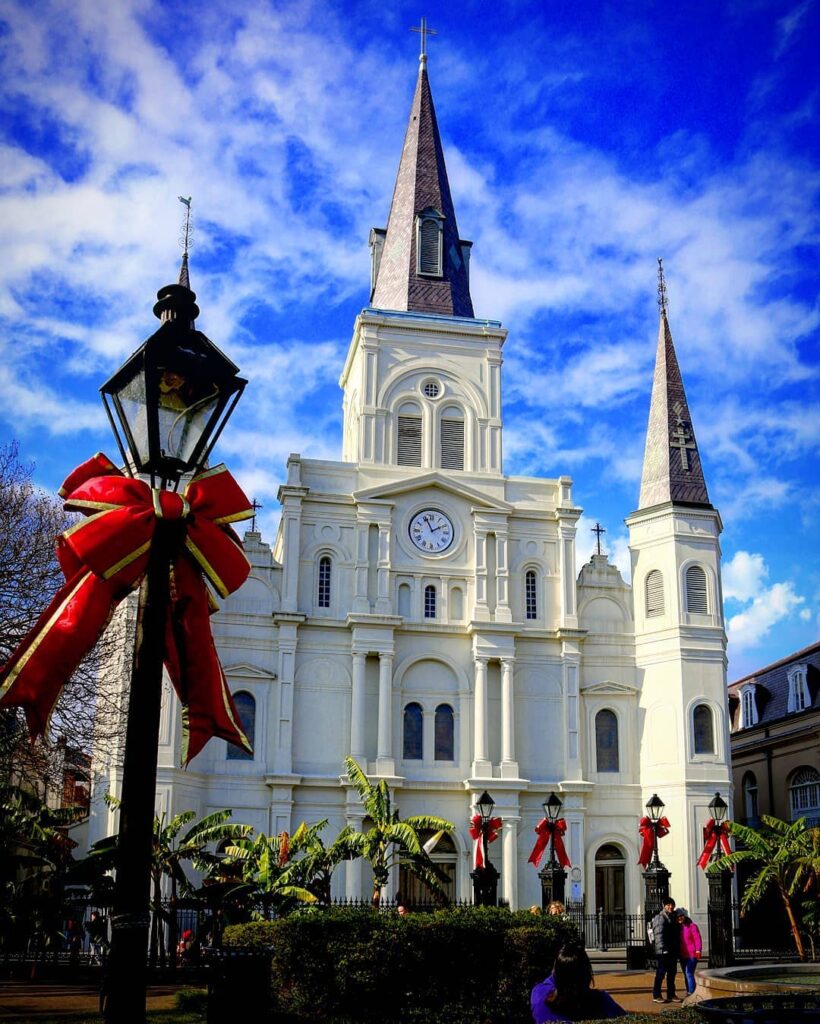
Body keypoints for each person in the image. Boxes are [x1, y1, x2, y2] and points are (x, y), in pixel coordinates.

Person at [531, 941, 626, 1022]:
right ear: (587, 974)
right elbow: (624, 1019)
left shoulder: (540, 994)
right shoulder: (602, 1002)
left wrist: (561, 964)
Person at [651, 897, 682, 1004]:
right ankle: (656, 994)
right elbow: (659, 935)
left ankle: (671, 994)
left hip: (672, 950)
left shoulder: (672, 917)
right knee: (661, 973)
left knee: (672, 973)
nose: (670, 907)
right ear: (664, 906)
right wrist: (662, 949)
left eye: (672, 905)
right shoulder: (660, 918)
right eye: (668, 905)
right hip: (663, 951)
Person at [675, 907, 702, 997]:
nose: (680, 918)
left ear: (684, 916)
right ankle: (690, 990)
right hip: (683, 955)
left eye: (681, 916)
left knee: (688, 973)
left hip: (692, 954)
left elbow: (697, 939)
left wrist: (698, 950)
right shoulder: (678, 928)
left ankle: (691, 992)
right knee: (687, 974)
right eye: (678, 916)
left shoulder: (692, 926)